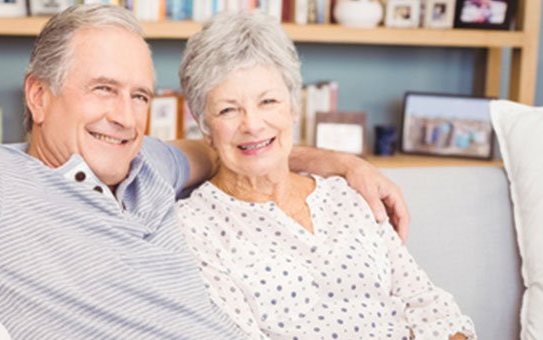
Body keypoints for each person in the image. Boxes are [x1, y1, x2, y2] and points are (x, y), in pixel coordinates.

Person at [0, 5, 409, 339]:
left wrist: (338, 163)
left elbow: (229, 140)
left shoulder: (151, 163)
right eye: (103, 89)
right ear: (39, 96)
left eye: (139, 96)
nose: (126, 116)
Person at [175, 12, 474, 340]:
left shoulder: (347, 193)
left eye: (268, 101)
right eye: (229, 109)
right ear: (204, 126)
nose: (253, 124)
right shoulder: (196, 227)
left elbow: (430, 305)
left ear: (293, 109)